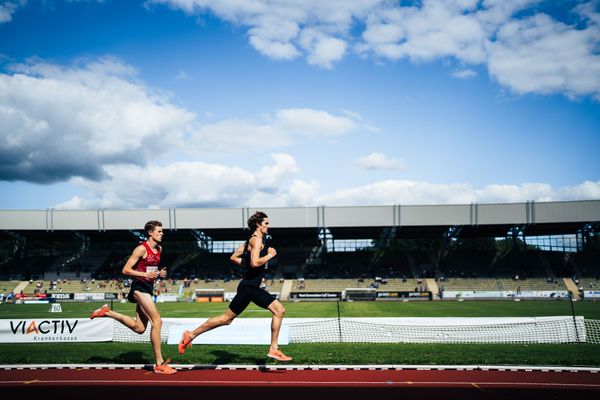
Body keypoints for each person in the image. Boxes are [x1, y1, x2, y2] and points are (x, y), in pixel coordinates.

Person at [178, 211, 292, 361]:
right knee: (227, 319)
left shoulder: (249, 241)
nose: (268, 227)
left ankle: (273, 348)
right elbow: (255, 262)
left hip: (251, 287)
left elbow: (233, 258)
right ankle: (190, 335)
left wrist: (249, 267)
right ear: (258, 224)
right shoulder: (256, 241)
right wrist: (270, 255)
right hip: (249, 287)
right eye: (266, 223)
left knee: (277, 310)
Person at [90, 220, 177, 374]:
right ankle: (159, 363)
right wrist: (145, 274)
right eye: (159, 231)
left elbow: (151, 271)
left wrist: (160, 274)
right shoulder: (140, 249)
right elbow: (125, 270)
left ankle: (107, 312)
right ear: (150, 233)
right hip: (138, 289)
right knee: (157, 321)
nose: (162, 233)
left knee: (140, 328)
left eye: (162, 231)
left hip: (148, 288)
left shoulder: (159, 249)